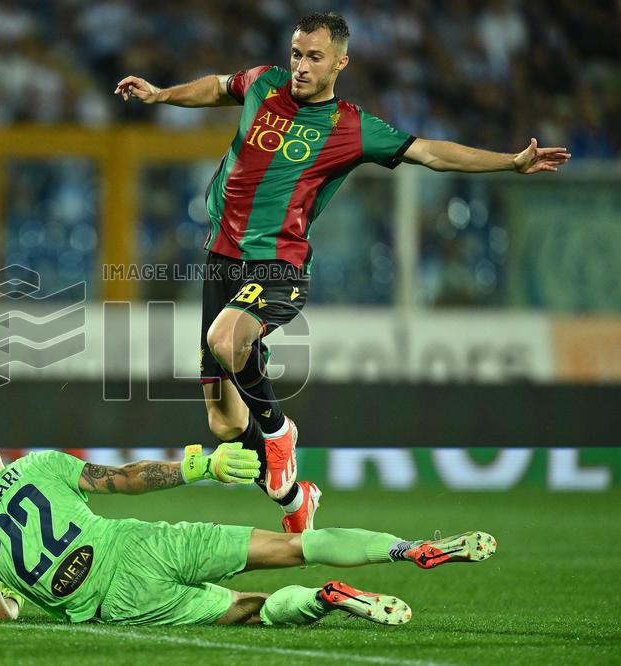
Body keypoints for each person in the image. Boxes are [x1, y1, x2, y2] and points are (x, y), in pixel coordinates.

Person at [114, 12, 570, 532]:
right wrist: (161, 94)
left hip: (278, 266)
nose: (301, 67)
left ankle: (279, 429)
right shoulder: (264, 82)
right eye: (296, 54)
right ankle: (292, 498)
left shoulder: (352, 127)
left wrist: (509, 162)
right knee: (223, 422)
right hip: (220, 259)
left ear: (340, 63)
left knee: (226, 340)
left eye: (314, 58)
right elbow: (219, 88)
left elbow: (430, 153)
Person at [0, 426, 497, 626]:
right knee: (294, 545)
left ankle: (327, 599)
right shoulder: (37, 464)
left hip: (119, 604)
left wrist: (16, 597)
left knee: (249, 609)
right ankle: (409, 549)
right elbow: (128, 479)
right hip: (141, 544)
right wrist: (198, 467)